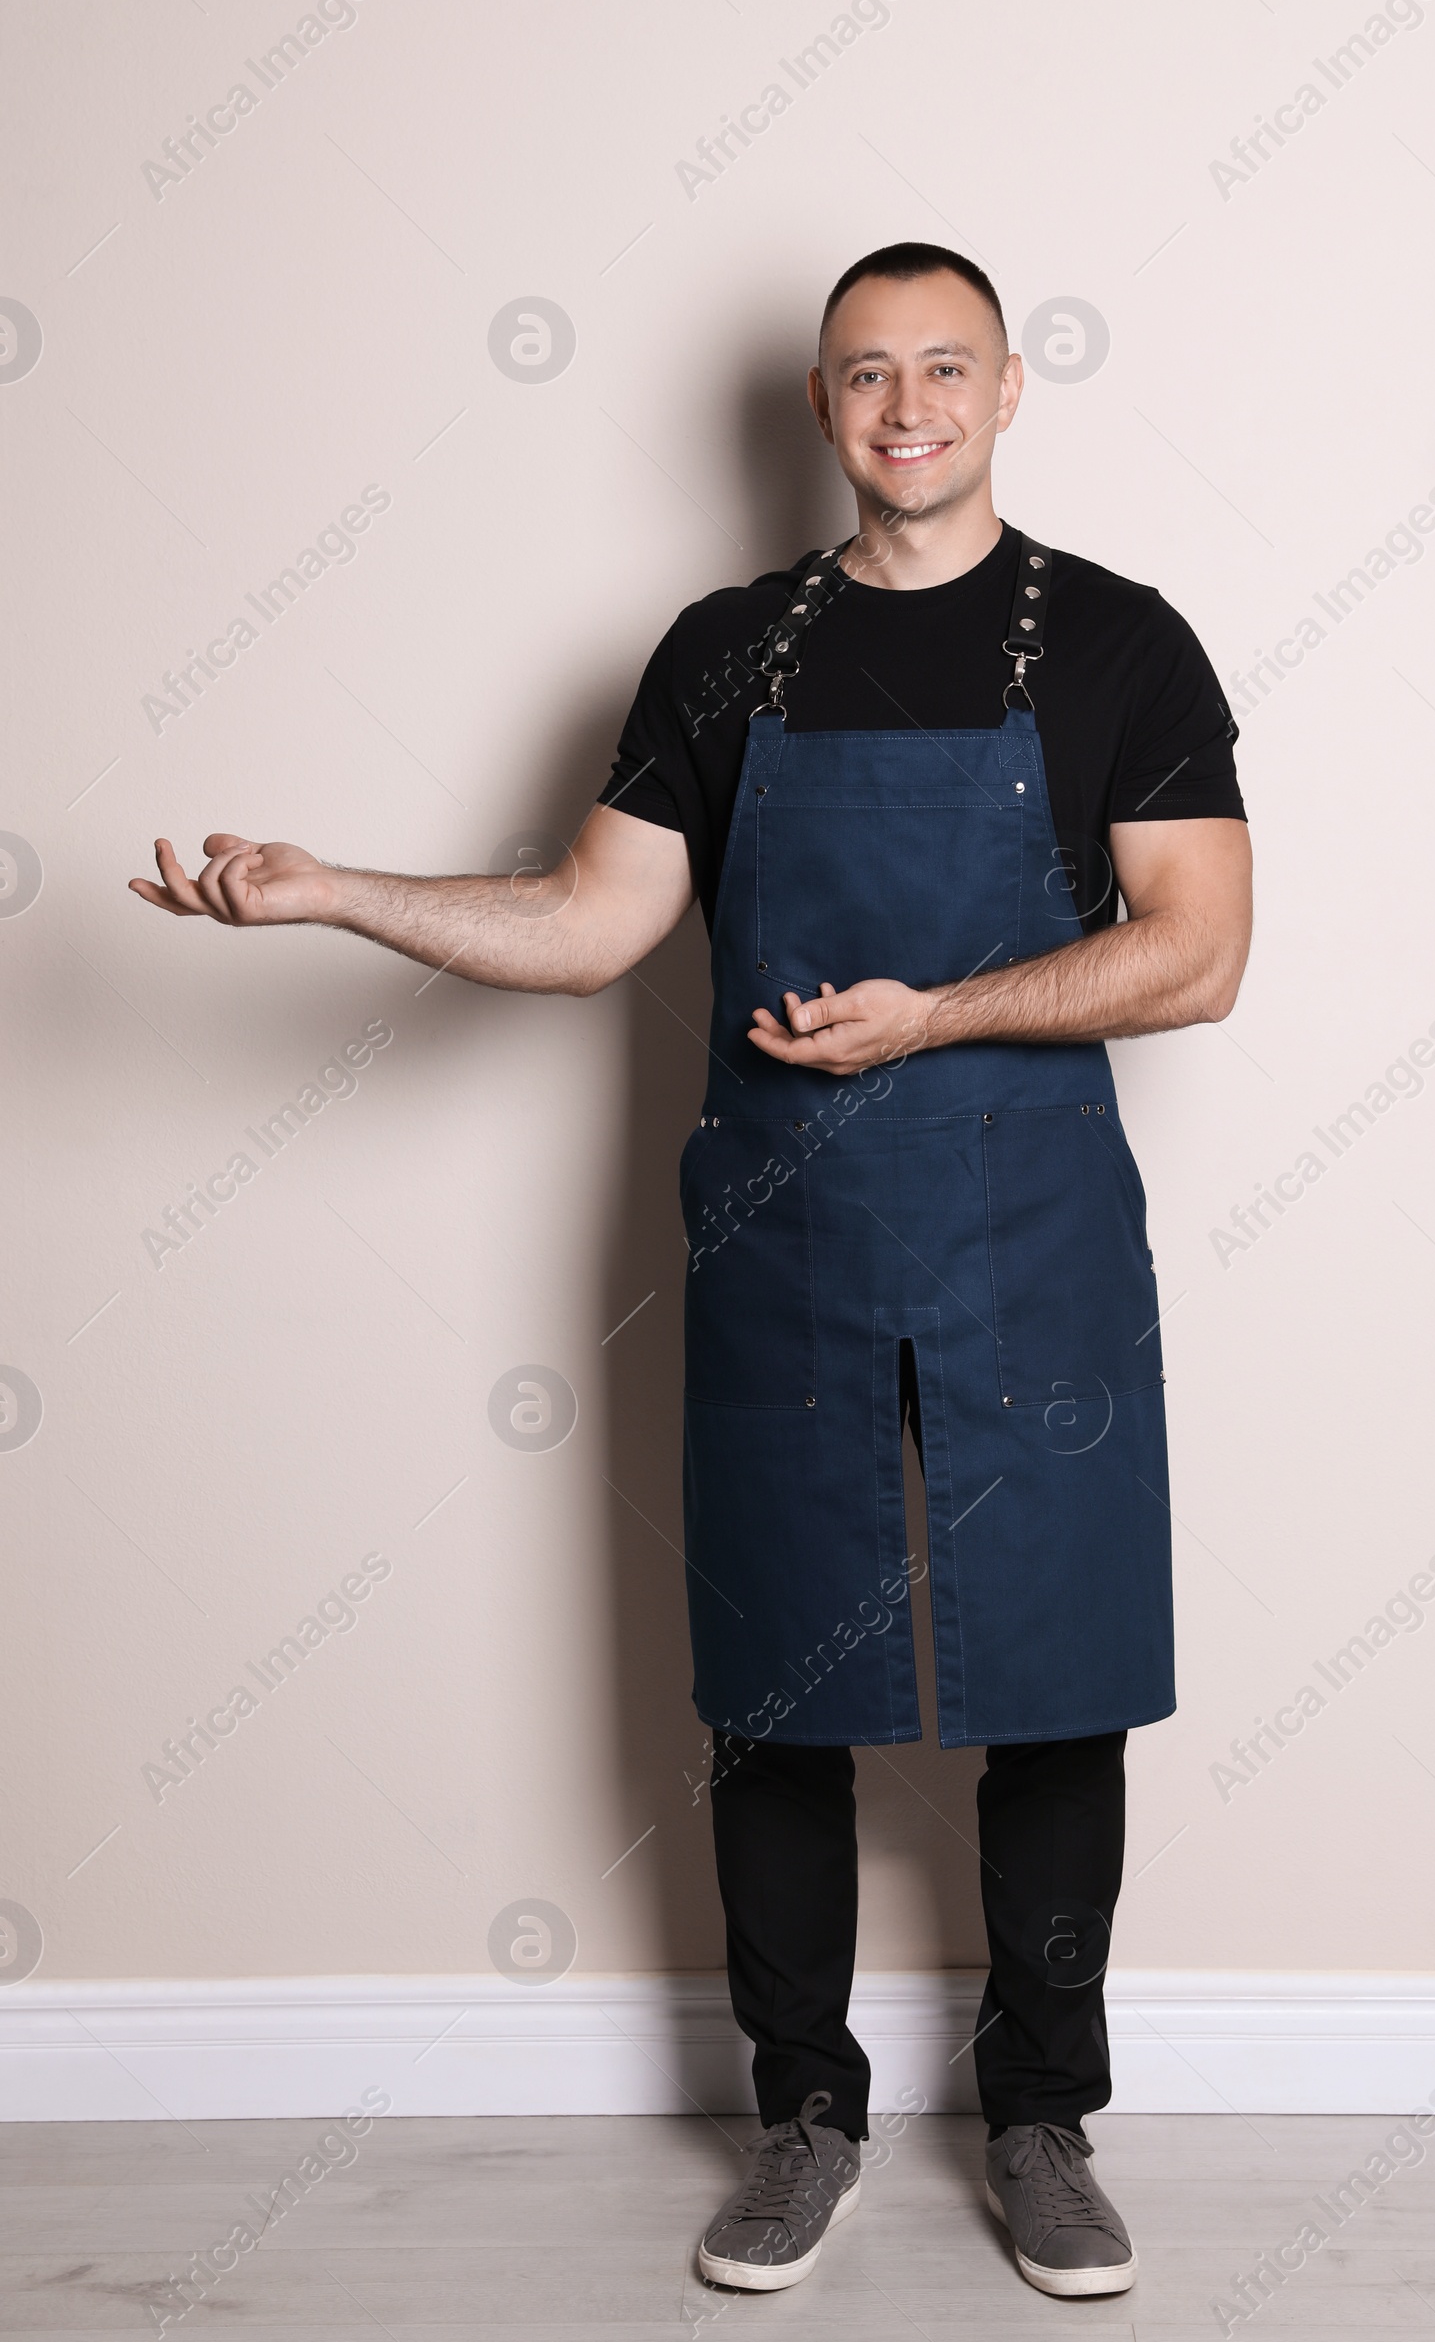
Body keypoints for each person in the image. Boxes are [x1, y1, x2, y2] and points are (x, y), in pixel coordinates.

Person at [130, 241, 1252, 2301]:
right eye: (860, 374)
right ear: (818, 407)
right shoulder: (723, 651)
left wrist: (931, 1016)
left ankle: (1039, 2121)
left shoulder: (1117, 647)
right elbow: (585, 921)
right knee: (777, 1694)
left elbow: (1195, 950)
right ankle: (799, 2121)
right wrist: (330, 896)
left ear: (1008, 390)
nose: (901, 405)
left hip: (1029, 1237)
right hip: (786, 1236)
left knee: (1056, 1684)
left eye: (941, 369)